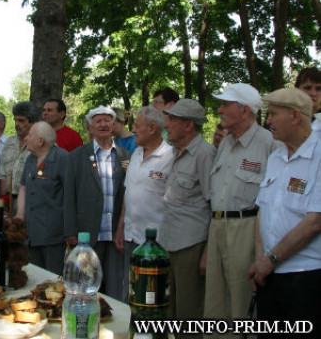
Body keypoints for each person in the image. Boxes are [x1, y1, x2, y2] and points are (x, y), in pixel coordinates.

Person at [204, 83, 281, 330]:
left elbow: (276, 199)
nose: (219, 110)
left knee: (242, 304)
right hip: (217, 227)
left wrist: (263, 250)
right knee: (215, 305)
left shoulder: (269, 143)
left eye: (225, 104)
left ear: (245, 110)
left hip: (247, 229)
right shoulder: (225, 143)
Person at [249, 88, 321, 338]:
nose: (268, 120)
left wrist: (270, 260)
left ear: (295, 116)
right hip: (270, 276)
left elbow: (315, 222)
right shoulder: (277, 156)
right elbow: (263, 210)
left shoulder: (318, 156)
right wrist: (261, 260)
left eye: (273, 114)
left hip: (305, 277)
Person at [158, 99, 215, 332]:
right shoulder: (175, 152)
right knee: (169, 311)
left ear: (189, 125)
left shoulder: (205, 154)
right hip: (169, 242)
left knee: (188, 315)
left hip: (191, 246)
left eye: (172, 119)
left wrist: (207, 253)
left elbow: (215, 206)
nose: (166, 124)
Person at [64, 106, 130, 301]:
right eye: (98, 121)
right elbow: (69, 195)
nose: (103, 124)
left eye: (107, 120)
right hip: (88, 233)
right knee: (87, 286)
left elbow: (129, 193)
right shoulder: (77, 156)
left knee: (117, 288)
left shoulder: (125, 156)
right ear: (90, 127)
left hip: (116, 234)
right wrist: (70, 230)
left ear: (113, 124)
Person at [120, 106, 174, 301]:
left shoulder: (170, 157)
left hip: (155, 243)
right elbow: (128, 193)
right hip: (130, 237)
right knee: (129, 291)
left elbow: (173, 202)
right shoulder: (135, 154)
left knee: (150, 295)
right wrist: (120, 227)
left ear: (152, 128)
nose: (133, 129)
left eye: (137, 125)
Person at [16, 121, 68, 275]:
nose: (26, 138)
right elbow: (23, 187)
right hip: (30, 232)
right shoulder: (30, 159)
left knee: (52, 278)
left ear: (40, 141)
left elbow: (72, 194)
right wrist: (20, 214)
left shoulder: (62, 158)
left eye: (30, 135)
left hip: (53, 235)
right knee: (33, 276)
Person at [0, 102, 40, 211]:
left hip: (30, 201)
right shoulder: (9, 142)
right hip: (8, 200)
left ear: (33, 122)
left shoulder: (41, 144)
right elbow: (2, 174)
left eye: (21, 121)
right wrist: (3, 200)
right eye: (15, 120)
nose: (17, 124)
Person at [294, 66, 321, 137]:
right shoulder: (285, 120)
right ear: (297, 90)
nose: (313, 93)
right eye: (308, 88)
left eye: (318, 89)